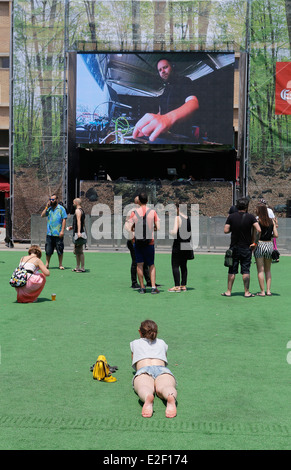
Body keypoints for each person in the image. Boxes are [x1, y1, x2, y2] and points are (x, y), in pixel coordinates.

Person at [133, 58, 199, 142]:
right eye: (160, 70)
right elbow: (162, 112)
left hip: (181, 136)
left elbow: (193, 103)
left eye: (165, 67)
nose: (162, 71)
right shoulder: (166, 90)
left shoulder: (184, 81)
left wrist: (167, 118)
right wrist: (151, 122)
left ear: (172, 67)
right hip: (166, 136)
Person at [130, 320, 177, 418]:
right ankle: (170, 395)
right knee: (165, 386)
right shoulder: (162, 342)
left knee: (144, 387)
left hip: (144, 369)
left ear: (140, 332)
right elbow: (165, 357)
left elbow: (133, 360)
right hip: (162, 370)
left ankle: (148, 396)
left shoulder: (135, 343)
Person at [222, 197, 261, 298]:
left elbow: (225, 230)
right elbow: (259, 229)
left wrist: (233, 228)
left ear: (237, 206)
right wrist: (255, 243)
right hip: (246, 248)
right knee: (246, 270)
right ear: (247, 206)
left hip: (234, 247)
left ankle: (228, 291)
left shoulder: (231, 217)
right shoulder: (251, 217)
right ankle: (247, 292)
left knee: (231, 270)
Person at [125, 192, 160, 294]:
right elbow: (158, 227)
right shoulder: (152, 212)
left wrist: (133, 235)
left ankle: (142, 287)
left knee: (139, 264)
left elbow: (128, 227)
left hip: (138, 242)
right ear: (147, 200)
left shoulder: (134, 213)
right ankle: (153, 287)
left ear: (139, 201)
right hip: (150, 242)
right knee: (151, 265)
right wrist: (152, 229)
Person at [125, 196, 151, 289]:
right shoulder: (132, 211)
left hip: (142, 240)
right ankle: (134, 282)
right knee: (136, 262)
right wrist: (133, 237)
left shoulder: (144, 211)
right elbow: (127, 225)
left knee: (144, 261)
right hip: (134, 240)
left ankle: (149, 281)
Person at [253, 204, 278, 296]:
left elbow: (256, 234)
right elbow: (276, 235)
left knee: (260, 270)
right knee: (268, 270)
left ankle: (262, 291)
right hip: (269, 245)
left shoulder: (257, 221)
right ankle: (268, 291)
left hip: (260, 244)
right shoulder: (271, 221)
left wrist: (254, 244)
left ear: (259, 211)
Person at [168, 204, 194, 292]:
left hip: (178, 244)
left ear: (179, 209)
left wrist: (170, 231)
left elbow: (174, 231)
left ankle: (177, 286)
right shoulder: (187, 218)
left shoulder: (177, 218)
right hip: (186, 244)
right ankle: (183, 285)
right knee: (184, 266)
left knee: (175, 265)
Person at [41, 194, 67, 269]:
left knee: (60, 249)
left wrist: (62, 231)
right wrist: (46, 207)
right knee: (48, 250)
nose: (51, 201)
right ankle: (47, 264)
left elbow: (64, 220)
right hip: (50, 233)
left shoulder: (61, 209)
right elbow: (42, 215)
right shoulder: (49, 209)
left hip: (58, 233)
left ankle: (60, 264)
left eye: (53, 199)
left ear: (56, 200)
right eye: (50, 199)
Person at [67, 198, 86, 273]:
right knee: (76, 251)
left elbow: (79, 221)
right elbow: (82, 222)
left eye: (73, 202)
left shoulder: (77, 211)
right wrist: (72, 227)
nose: (73, 204)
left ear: (76, 203)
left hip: (78, 233)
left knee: (80, 251)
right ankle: (77, 267)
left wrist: (78, 232)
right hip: (78, 231)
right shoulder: (82, 211)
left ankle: (82, 267)